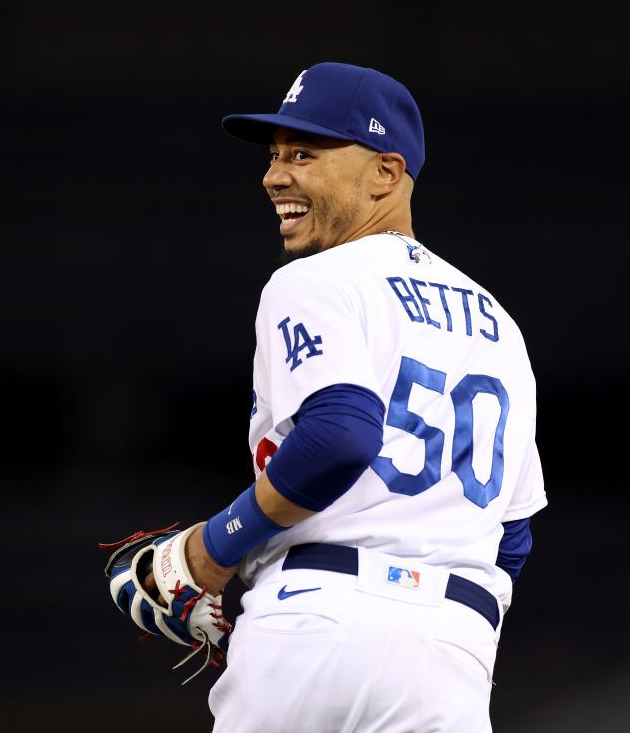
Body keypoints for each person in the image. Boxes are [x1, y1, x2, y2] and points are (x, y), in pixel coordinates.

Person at [150, 62, 547, 732]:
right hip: (452, 650)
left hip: (316, 619)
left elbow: (339, 435)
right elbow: (512, 537)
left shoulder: (317, 280)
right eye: (275, 156)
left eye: (305, 153)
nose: (276, 175)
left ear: (386, 174)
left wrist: (212, 550)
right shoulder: (501, 325)